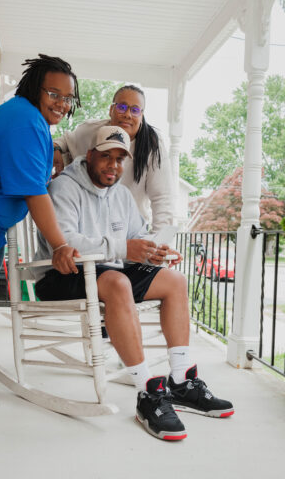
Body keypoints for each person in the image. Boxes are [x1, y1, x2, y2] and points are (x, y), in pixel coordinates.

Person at [34, 125, 234, 441]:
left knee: (174, 281)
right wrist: (125, 249)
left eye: (119, 158)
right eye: (105, 157)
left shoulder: (122, 195)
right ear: (89, 156)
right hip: (61, 275)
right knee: (117, 282)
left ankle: (181, 380)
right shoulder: (64, 189)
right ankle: (147, 392)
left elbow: (136, 237)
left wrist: (153, 252)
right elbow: (67, 242)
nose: (113, 165)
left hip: (108, 271)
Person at [0, 54, 81, 411]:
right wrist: (60, 245)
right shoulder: (24, 119)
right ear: (33, 88)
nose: (61, 103)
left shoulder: (33, 124)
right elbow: (34, 193)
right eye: (54, 93)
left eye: (68, 98)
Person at [53, 84, 174, 232]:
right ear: (111, 110)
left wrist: (159, 243)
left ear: (141, 116)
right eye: (122, 107)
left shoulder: (153, 145)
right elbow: (65, 140)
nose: (127, 114)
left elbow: (162, 198)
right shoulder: (92, 131)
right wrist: (57, 149)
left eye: (135, 110)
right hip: (92, 226)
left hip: (130, 230)